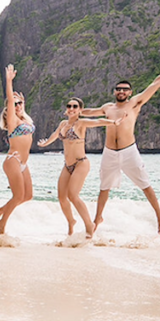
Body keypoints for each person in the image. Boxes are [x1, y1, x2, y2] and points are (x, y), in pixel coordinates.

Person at [82, 54, 160, 234]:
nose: (121, 91)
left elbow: (156, 84)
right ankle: (97, 219)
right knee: (104, 187)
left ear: (130, 92)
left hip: (129, 151)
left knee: (145, 184)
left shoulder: (134, 103)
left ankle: (159, 216)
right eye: (118, 89)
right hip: (109, 152)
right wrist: (73, 111)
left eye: (125, 89)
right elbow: (89, 112)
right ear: (114, 91)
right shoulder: (107, 108)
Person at [37, 98, 120, 238]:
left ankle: (89, 225)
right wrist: (46, 144)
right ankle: (71, 222)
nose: (71, 108)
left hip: (81, 163)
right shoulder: (63, 124)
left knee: (73, 195)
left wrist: (113, 122)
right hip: (68, 165)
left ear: (80, 109)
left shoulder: (81, 123)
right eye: (69, 106)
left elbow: (97, 122)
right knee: (62, 198)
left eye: (75, 106)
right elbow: (55, 134)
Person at [0, 65, 35, 234]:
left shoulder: (25, 119)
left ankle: (0, 210)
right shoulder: (13, 122)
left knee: (28, 196)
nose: (17, 105)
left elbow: (20, 106)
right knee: (18, 196)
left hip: (23, 163)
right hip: (13, 160)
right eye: (15, 104)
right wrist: (9, 81)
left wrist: (22, 104)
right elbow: (11, 102)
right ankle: (2, 222)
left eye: (20, 103)